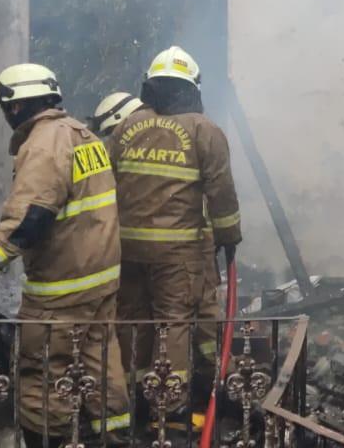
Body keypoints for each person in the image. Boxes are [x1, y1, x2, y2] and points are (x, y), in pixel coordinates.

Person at [0, 63, 129, 447]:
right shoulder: (82, 135)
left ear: (17, 107)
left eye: (5, 106)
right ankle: (114, 438)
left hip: (62, 290)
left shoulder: (43, 144)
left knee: (41, 375)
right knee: (101, 364)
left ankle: (48, 440)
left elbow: (26, 223)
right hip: (100, 281)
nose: (4, 115)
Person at [107, 47, 241, 423]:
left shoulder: (125, 128)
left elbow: (108, 183)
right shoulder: (204, 130)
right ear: (192, 88)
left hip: (126, 249)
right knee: (172, 323)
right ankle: (169, 406)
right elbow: (221, 193)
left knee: (132, 319)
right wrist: (229, 237)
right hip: (177, 252)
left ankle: (133, 394)